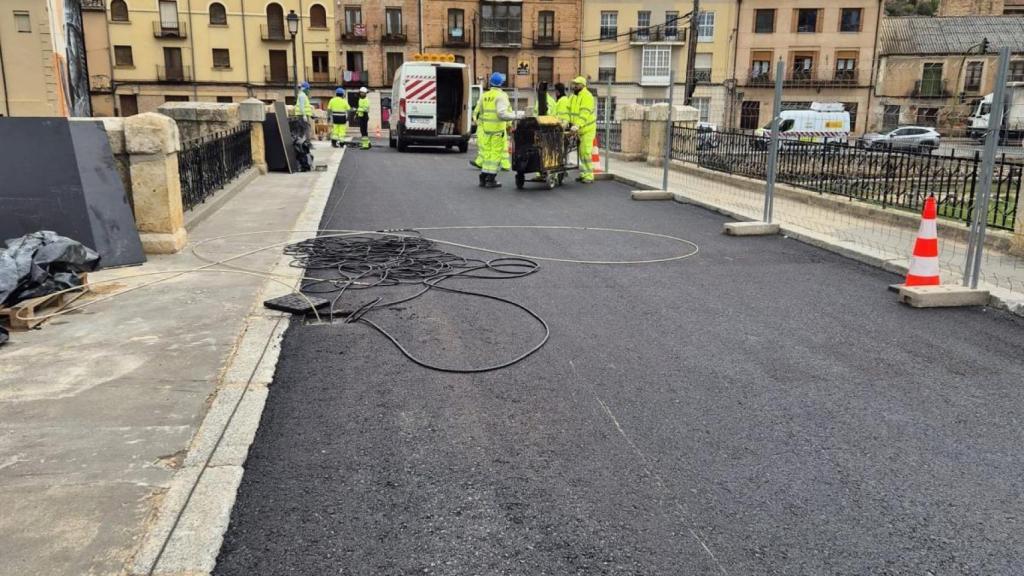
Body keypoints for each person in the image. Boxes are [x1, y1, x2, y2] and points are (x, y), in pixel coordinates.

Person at [477, 71, 522, 188]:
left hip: (486, 130)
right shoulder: (501, 96)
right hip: (497, 130)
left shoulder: (485, 95)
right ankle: (491, 179)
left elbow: (480, 113)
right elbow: (502, 114)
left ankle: (483, 177)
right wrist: (516, 116)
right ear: (501, 83)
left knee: (487, 153)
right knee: (495, 154)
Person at [568, 76, 596, 183]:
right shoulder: (573, 97)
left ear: (582, 85)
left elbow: (584, 113)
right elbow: (568, 111)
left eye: (577, 84)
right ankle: (584, 174)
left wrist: (577, 125)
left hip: (587, 129)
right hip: (579, 130)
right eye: (574, 84)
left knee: (585, 152)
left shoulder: (587, 96)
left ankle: (589, 176)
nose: (574, 86)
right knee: (581, 153)